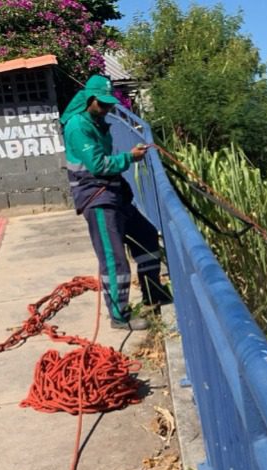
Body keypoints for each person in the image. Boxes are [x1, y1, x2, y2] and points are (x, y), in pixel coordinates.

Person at [60, 75, 169, 330]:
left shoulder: (97, 121)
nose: (108, 108)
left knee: (147, 236)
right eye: (104, 103)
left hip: (114, 191)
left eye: (110, 104)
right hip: (96, 198)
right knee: (114, 259)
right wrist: (130, 158)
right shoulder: (78, 126)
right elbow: (98, 164)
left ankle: (153, 292)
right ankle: (120, 316)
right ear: (90, 99)